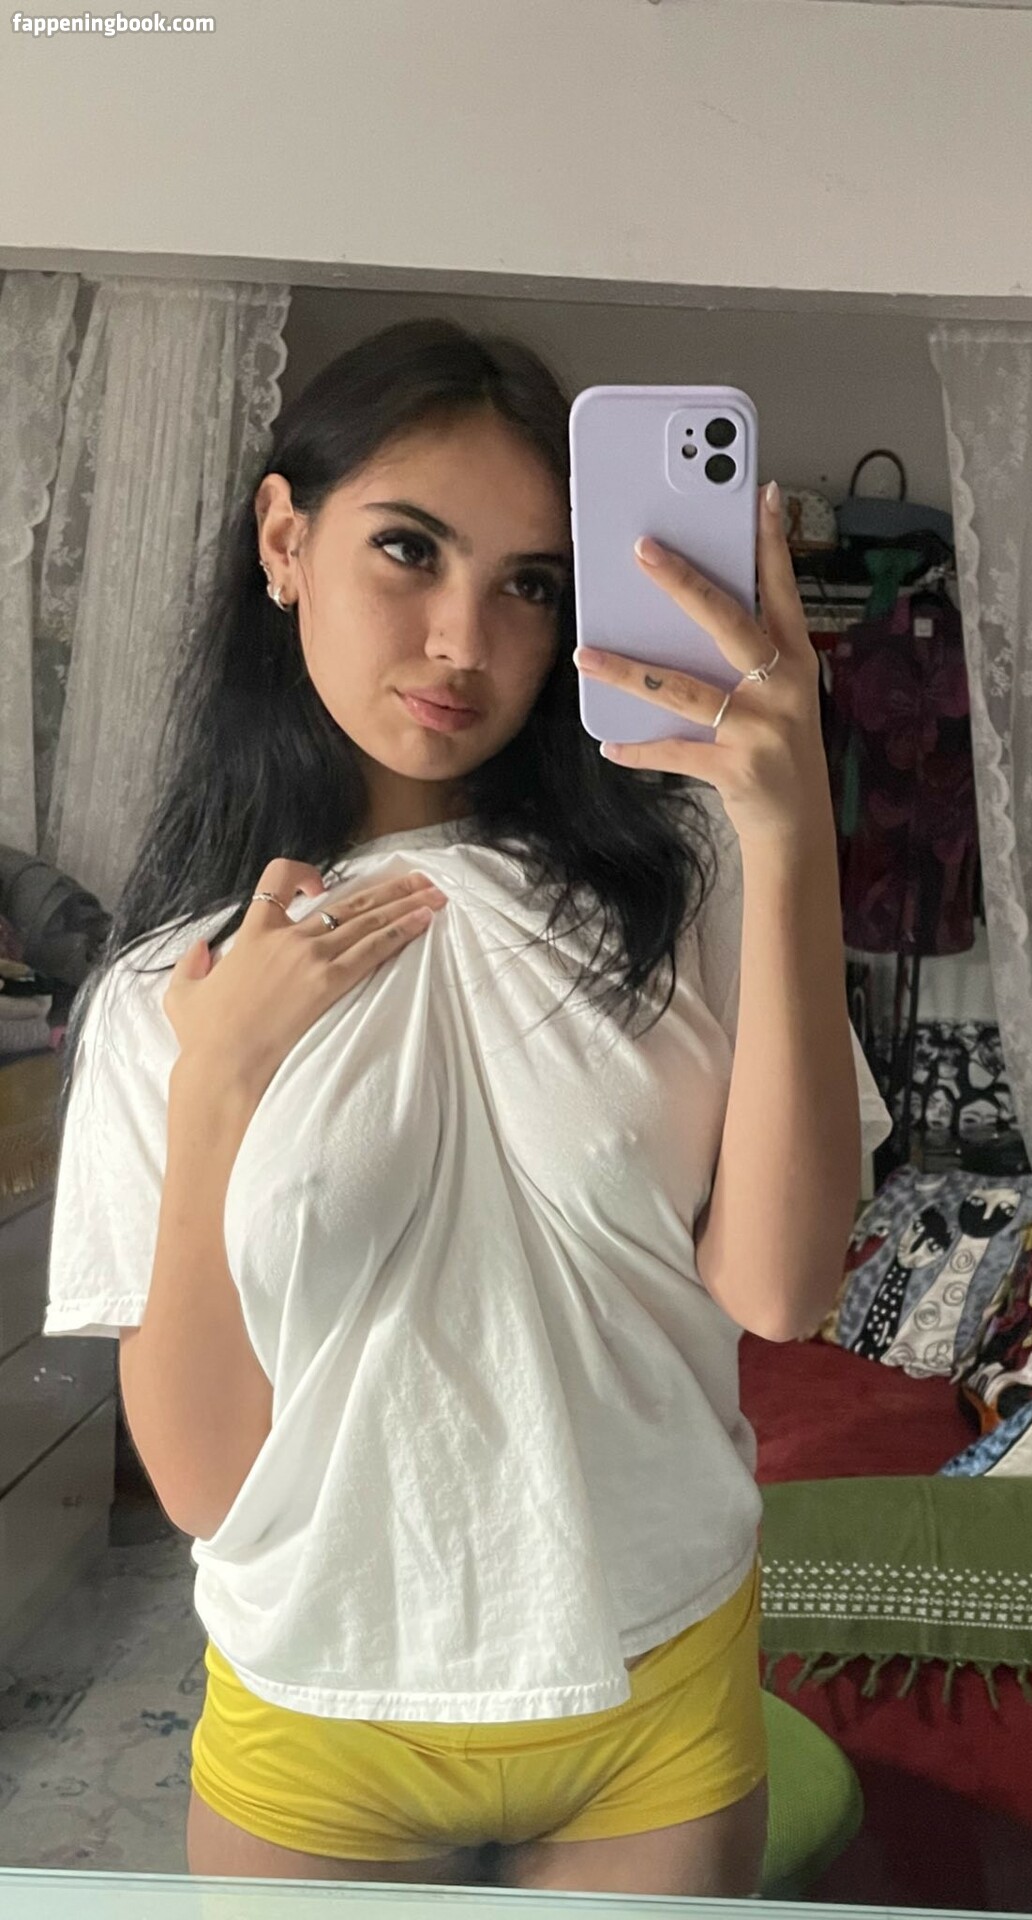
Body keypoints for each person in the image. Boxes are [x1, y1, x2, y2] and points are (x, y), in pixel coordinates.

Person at [44, 319, 891, 1896]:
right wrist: (221, 1077)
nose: (461, 641)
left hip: (652, 1670)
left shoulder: (687, 883)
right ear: (285, 540)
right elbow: (207, 1487)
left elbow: (781, 1290)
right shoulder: (174, 989)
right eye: (409, 549)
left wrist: (790, 836)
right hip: (319, 1702)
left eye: (530, 584)